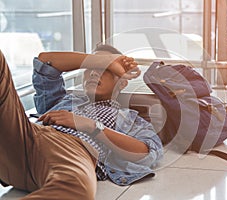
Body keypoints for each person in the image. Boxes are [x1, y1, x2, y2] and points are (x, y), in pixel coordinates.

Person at [0, 44, 163, 200]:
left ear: (122, 82)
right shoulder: (62, 100)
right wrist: (104, 61)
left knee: (77, 192)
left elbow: (147, 153)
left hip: (73, 151)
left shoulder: (130, 119)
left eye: (103, 70)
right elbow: (44, 62)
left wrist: (91, 126)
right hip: (27, 136)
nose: (93, 73)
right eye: (90, 68)